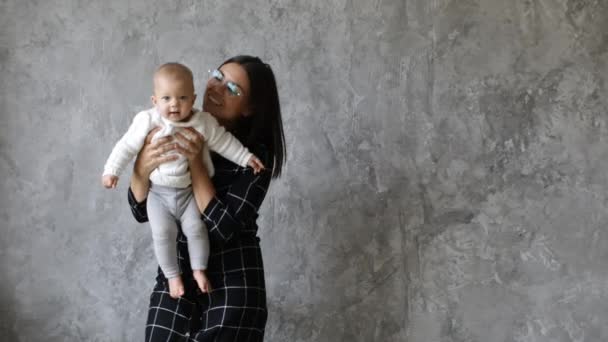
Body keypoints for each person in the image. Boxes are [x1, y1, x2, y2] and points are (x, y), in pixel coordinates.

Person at [128, 55, 286, 341]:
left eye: (232, 89)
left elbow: (221, 227)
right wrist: (141, 168)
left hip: (232, 288)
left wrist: (196, 163)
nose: (217, 88)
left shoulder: (254, 158)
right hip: (176, 282)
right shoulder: (170, 128)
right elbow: (141, 212)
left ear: (250, 108)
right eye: (217, 76)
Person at [102, 62, 265, 299]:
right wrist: (114, 170)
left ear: (192, 98)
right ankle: (172, 276)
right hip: (158, 194)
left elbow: (225, 142)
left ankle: (199, 270)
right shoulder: (149, 121)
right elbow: (126, 146)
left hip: (189, 197)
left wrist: (246, 157)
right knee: (162, 232)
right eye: (166, 98)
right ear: (154, 100)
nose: (174, 104)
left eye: (182, 97)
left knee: (195, 228)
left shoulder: (202, 123)